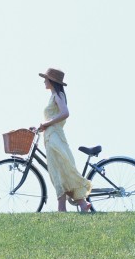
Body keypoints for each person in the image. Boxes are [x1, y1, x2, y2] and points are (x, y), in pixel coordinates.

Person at [35, 68, 92, 213]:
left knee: (59, 171)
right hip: (51, 136)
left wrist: (46, 124)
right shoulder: (54, 95)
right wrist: (42, 126)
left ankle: (63, 208)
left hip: (54, 138)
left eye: (46, 79)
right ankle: (80, 204)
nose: (44, 81)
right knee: (59, 171)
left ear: (52, 81)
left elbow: (65, 113)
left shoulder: (57, 95)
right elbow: (53, 118)